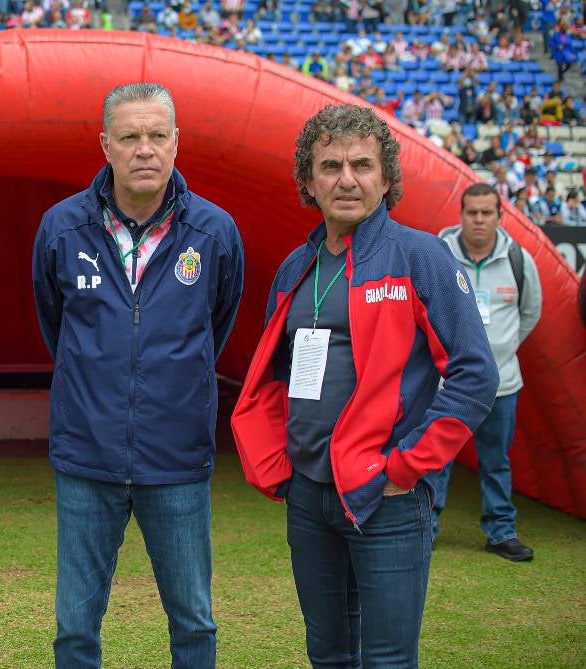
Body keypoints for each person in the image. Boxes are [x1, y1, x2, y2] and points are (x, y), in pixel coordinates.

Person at [231, 103, 498, 667]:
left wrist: (407, 466)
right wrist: (282, 459)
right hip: (308, 496)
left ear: (386, 177)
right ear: (309, 179)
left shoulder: (420, 256)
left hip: (388, 501)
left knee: (387, 660)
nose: (346, 179)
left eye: (361, 165)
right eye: (329, 166)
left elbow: (475, 373)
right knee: (327, 655)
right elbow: (279, 378)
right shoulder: (294, 268)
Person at [32, 82, 244, 669]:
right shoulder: (60, 228)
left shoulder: (215, 233)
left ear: (177, 142)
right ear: (105, 144)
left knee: (194, 624)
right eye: (129, 137)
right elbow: (57, 327)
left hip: (177, 459)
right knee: (75, 628)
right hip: (86, 458)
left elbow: (215, 328)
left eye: (156, 135)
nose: (144, 149)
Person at [433, 183, 543, 561]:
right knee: (436, 458)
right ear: (460, 215)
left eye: (486, 213)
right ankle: (426, 528)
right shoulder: (438, 254)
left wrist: (502, 350)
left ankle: (501, 532)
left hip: (502, 385)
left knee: (496, 461)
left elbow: (529, 314)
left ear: (499, 216)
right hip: (448, 385)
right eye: (472, 212)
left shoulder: (518, 260)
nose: (478, 220)